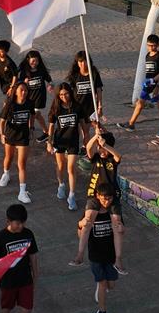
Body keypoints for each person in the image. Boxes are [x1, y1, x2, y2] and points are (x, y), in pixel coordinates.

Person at [69, 183, 123, 313]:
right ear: (98, 196)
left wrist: (122, 229)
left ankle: (101, 289)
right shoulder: (91, 211)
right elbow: (81, 233)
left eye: (109, 199)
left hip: (110, 255)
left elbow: (120, 231)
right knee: (103, 283)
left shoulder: (114, 211)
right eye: (104, 199)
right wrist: (81, 224)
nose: (106, 202)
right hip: (96, 255)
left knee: (111, 285)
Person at [0, 204, 39, 313]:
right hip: (8, 280)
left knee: (27, 306)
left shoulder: (28, 234)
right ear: (8, 221)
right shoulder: (1, 237)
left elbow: (33, 256)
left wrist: (35, 274)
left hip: (25, 278)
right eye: (17, 223)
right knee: (7, 306)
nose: (21, 226)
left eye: (23, 223)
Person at [84, 127, 127, 274]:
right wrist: (95, 137)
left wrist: (105, 145)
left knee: (118, 227)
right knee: (87, 221)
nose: (100, 150)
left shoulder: (111, 160)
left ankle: (118, 259)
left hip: (112, 196)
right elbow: (88, 148)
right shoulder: (95, 158)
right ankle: (80, 253)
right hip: (95, 195)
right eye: (99, 147)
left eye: (103, 148)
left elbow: (118, 156)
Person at [119, 35, 159, 133]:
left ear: (158, 45)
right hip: (148, 85)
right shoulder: (147, 55)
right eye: (149, 45)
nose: (151, 48)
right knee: (140, 103)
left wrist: (157, 87)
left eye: (153, 45)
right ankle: (131, 124)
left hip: (156, 86)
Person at [0, 82, 35, 204]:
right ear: (16, 92)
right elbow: (1, 122)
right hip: (10, 135)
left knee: (22, 163)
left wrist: (31, 128)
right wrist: (2, 134)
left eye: (26, 90)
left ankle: (22, 192)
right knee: (9, 157)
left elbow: (32, 115)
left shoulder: (29, 103)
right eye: (21, 90)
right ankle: (6, 173)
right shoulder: (10, 105)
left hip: (23, 137)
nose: (24, 92)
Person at [47, 83, 82, 211]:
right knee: (60, 166)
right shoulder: (56, 108)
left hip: (73, 141)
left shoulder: (77, 107)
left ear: (70, 93)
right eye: (61, 95)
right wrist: (49, 142)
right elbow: (51, 127)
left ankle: (72, 195)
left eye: (66, 94)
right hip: (59, 141)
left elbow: (83, 125)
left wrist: (86, 140)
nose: (64, 97)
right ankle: (61, 184)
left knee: (71, 168)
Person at [67, 51, 104, 144]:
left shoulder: (93, 74)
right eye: (80, 62)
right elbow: (70, 91)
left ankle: (86, 147)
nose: (83, 64)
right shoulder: (74, 75)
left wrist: (100, 106)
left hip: (90, 107)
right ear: (77, 63)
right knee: (76, 129)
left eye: (85, 61)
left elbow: (99, 90)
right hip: (77, 106)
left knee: (87, 130)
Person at [17, 50, 53, 142]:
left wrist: (50, 85)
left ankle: (30, 131)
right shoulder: (24, 72)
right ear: (28, 60)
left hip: (39, 97)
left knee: (34, 114)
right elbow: (19, 83)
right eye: (33, 61)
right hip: (29, 97)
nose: (35, 63)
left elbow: (49, 79)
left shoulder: (41, 70)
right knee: (37, 115)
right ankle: (46, 132)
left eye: (37, 61)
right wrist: (23, 82)